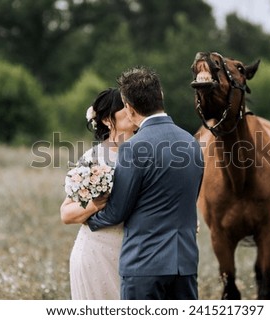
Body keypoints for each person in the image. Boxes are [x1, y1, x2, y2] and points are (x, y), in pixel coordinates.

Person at [87, 67, 204, 300]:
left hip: (145, 265)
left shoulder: (133, 148)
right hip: (185, 264)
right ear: (161, 96)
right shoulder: (192, 143)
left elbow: (117, 211)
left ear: (129, 109)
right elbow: (190, 198)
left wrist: (89, 220)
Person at [60, 88, 137, 300]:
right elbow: (66, 214)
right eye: (124, 107)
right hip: (95, 253)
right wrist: (95, 204)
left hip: (135, 253)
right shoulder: (93, 158)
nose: (132, 110)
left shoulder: (147, 152)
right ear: (106, 120)